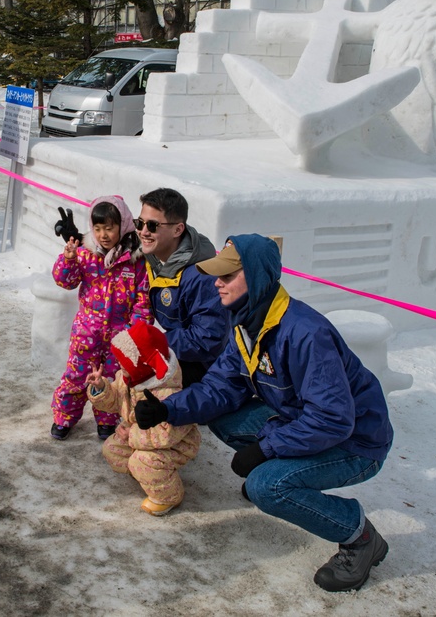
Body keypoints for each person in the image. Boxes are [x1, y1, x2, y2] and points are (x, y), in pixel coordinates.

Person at [134, 234, 394, 592]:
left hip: (356, 441)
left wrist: (266, 450)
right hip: (304, 421)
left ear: (256, 278)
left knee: (266, 487)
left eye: (227, 276)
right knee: (223, 419)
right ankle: (284, 472)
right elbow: (220, 388)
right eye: (217, 276)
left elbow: (334, 418)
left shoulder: (304, 333)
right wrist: (167, 409)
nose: (217, 284)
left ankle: (360, 537)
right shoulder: (247, 324)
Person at [50, 196, 151, 440]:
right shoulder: (85, 254)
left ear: (123, 225)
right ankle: (64, 417)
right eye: (97, 228)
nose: (103, 234)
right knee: (75, 378)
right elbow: (65, 281)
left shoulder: (136, 260)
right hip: (86, 335)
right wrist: (69, 259)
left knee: (112, 381)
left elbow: (143, 301)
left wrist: (132, 332)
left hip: (118, 339)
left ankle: (107, 419)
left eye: (109, 228)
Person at [85, 322, 200, 516]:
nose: (120, 365)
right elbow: (115, 401)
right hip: (140, 435)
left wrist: (131, 433)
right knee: (111, 450)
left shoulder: (168, 394)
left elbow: (165, 435)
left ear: (142, 365)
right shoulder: (130, 378)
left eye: (124, 362)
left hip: (175, 444)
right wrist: (101, 388)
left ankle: (168, 496)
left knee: (142, 460)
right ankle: (148, 475)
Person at [136, 188, 228, 387]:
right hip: (183, 355)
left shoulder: (200, 276)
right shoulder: (155, 256)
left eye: (152, 225)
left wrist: (157, 342)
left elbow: (207, 338)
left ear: (178, 230)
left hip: (212, 370)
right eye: (139, 223)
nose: (143, 231)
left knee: (147, 385)